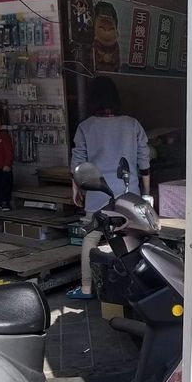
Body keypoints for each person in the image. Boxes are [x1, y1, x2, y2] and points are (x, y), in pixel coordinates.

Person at [67, 76, 150, 300]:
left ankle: (86, 288)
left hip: (97, 193)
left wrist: (76, 188)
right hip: (128, 194)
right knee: (129, 237)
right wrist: (145, 192)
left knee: (91, 238)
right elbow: (144, 160)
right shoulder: (132, 124)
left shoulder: (86, 127)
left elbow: (78, 162)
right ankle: (133, 286)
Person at [0, 110, 13, 211]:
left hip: (3, 167)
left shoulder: (4, 136)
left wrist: (8, 164)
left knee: (5, 184)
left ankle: (5, 202)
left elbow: (9, 151)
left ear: (1, 124)